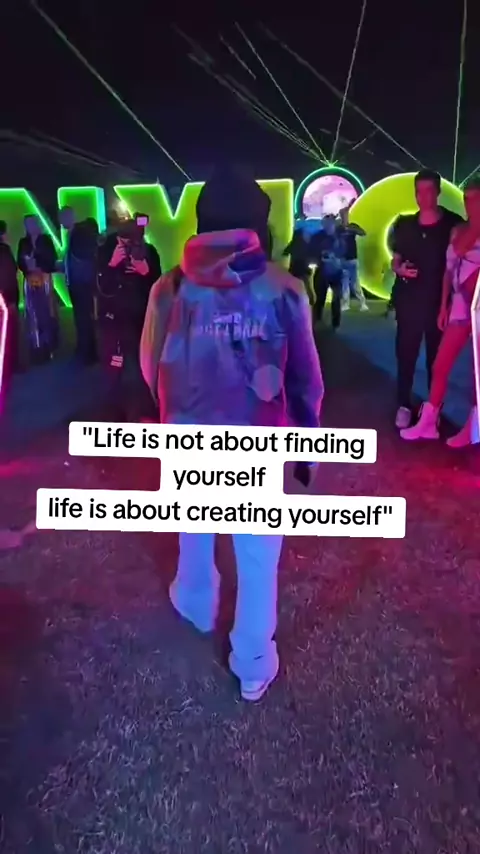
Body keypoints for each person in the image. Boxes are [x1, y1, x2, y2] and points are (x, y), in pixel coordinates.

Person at [140, 217, 323, 702]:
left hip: (188, 425)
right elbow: (305, 375)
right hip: (256, 429)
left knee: (193, 518)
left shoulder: (170, 286)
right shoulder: (283, 287)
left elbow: (150, 362)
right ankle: (253, 660)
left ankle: (196, 598)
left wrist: (170, 413)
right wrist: (307, 438)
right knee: (258, 547)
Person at [400, 178, 480, 446]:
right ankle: (428, 423)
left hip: (478, 306)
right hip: (459, 305)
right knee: (440, 364)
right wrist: (444, 305)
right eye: (467, 199)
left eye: (476, 199)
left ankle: (474, 428)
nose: (470, 204)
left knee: (477, 372)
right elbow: (450, 267)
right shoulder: (459, 229)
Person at [390, 169, 464, 429]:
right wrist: (399, 269)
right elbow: (396, 259)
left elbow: (457, 264)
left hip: (439, 303)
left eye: (429, 191)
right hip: (409, 300)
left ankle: (432, 411)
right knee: (405, 354)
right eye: (419, 192)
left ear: (438, 192)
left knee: (436, 360)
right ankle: (403, 404)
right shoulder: (405, 225)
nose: (423, 197)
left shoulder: (453, 225)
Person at [97, 214, 161, 420]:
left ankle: (146, 410)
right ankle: (114, 413)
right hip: (115, 320)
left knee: (143, 368)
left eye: (135, 241)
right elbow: (99, 289)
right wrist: (111, 264)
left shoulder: (149, 252)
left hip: (141, 318)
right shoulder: (105, 251)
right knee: (114, 368)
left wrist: (147, 273)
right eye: (126, 242)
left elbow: (159, 287)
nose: (130, 246)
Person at [196, 163, 272, 257]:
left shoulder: (208, 191)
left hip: (212, 254)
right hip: (247, 254)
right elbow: (264, 205)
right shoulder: (251, 194)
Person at [17, 215, 59, 363]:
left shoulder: (46, 240)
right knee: (32, 312)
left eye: (32, 223)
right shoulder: (23, 242)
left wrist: (39, 264)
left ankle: (49, 345)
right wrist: (27, 266)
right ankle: (35, 346)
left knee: (47, 311)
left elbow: (52, 259)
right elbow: (19, 261)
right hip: (29, 280)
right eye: (27, 224)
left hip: (45, 278)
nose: (31, 226)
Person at [66, 218, 99, 364]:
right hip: (83, 283)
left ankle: (87, 352)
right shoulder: (82, 236)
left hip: (79, 283)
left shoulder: (78, 236)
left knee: (83, 319)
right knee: (85, 318)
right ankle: (88, 350)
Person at [310, 215, 345, 329]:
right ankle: (317, 321)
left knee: (336, 299)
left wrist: (336, 258)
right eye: (326, 224)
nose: (327, 226)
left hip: (335, 271)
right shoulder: (318, 237)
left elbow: (344, 252)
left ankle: (335, 323)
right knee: (320, 298)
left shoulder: (339, 237)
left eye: (329, 224)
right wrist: (320, 256)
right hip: (323, 270)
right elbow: (312, 252)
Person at [0, 221, 20, 394]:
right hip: (5, 299)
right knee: (9, 334)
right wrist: (12, 299)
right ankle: (11, 365)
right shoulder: (4, 251)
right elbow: (9, 274)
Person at [339, 202, 368, 311]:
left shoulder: (352, 226)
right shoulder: (339, 229)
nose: (344, 217)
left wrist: (351, 229)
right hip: (342, 260)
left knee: (355, 283)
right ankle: (345, 304)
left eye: (346, 215)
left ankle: (362, 303)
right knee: (344, 284)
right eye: (342, 215)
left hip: (352, 259)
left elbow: (363, 233)